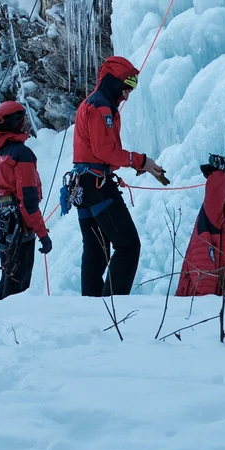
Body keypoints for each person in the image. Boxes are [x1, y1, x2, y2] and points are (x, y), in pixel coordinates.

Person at [71, 56, 168, 296]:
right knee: (128, 246)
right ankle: (112, 307)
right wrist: (140, 161)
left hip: (83, 185)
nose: (127, 95)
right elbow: (105, 151)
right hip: (97, 185)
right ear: (114, 82)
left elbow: (100, 153)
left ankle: (91, 307)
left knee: (96, 250)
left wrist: (135, 164)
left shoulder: (90, 103)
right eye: (127, 87)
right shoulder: (101, 107)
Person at [0, 100, 52, 300]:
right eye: (24, 120)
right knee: (18, 282)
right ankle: (8, 318)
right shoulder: (22, 154)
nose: (27, 123)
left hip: (1, 220)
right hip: (18, 223)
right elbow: (28, 201)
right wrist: (43, 234)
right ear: (16, 124)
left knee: (8, 274)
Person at [177, 155, 225, 298]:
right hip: (205, 299)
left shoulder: (224, 207)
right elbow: (202, 254)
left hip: (217, 296)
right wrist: (207, 297)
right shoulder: (216, 208)